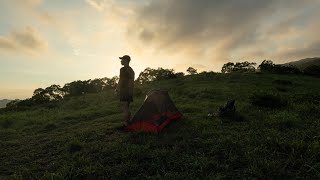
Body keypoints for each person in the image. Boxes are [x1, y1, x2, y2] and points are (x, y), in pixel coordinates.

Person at [115, 55, 135, 125]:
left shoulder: (122, 69)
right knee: (127, 107)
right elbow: (132, 81)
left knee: (125, 107)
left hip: (124, 90)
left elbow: (121, 80)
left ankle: (126, 123)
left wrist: (117, 89)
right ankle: (130, 121)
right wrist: (131, 91)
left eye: (122, 59)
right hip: (129, 91)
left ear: (126, 60)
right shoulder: (131, 70)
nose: (121, 61)